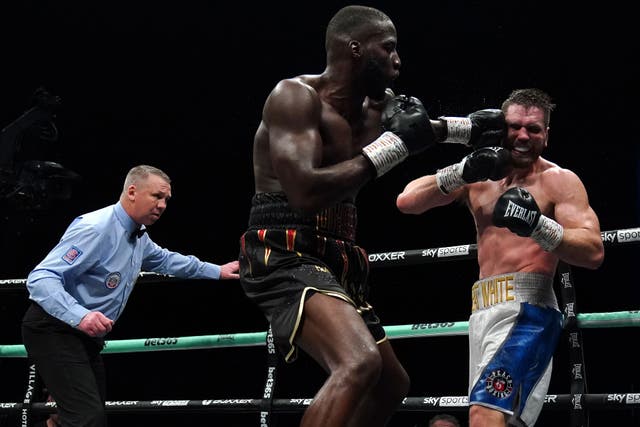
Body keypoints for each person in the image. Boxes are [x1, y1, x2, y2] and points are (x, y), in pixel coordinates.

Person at [238, 5, 505, 426]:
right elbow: (305, 193)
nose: (398, 61)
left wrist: (471, 131)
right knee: (358, 364)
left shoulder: (377, 110)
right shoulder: (294, 97)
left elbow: (421, 131)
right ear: (356, 49)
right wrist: (391, 147)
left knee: (390, 384)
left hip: (340, 252)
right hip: (283, 247)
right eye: (389, 49)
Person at [396, 88, 604, 426]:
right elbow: (408, 201)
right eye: (515, 126)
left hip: (529, 311)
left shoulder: (559, 181)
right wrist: (462, 172)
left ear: (546, 136)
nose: (523, 136)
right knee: (503, 421)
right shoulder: (479, 176)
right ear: (500, 127)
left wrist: (537, 224)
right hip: (481, 311)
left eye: (534, 129)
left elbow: (593, 251)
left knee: (484, 415)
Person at [21, 164, 240, 427]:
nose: (162, 205)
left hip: (83, 337)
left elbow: (167, 260)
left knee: (80, 417)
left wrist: (216, 271)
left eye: (166, 200)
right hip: (53, 329)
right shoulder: (96, 227)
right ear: (133, 191)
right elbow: (41, 278)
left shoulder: (137, 237)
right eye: (157, 196)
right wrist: (82, 315)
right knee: (86, 418)